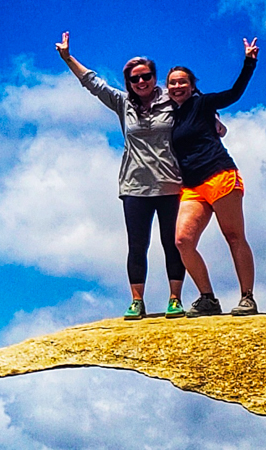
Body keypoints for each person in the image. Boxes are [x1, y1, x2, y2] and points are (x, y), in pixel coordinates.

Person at [56, 31, 187, 320]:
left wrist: (216, 123)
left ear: (155, 77)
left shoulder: (173, 101)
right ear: (128, 82)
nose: (141, 82)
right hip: (135, 186)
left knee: (173, 243)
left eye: (146, 76)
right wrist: (67, 58)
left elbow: (197, 110)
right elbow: (93, 83)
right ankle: (137, 301)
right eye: (135, 78)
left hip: (170, 184)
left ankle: (175, 299)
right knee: (137, 244)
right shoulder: (123, 103)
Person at [167, 37, 259, 318]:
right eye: (172, 83)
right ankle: (208, 298)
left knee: (233, 235)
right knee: (183, 241)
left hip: (219, 174)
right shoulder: (172, 115)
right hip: (192, 186)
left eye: (182, 81)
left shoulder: (203, 104)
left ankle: (247, 297)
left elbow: (234, 94)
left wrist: (249, 62)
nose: (177, 86)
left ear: (192, 85)